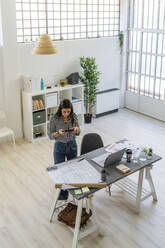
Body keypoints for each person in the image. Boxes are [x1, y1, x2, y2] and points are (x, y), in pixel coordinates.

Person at [49, 99, 80, 200]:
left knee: (72, 169)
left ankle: (74, 189)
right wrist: (58, 133)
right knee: (60, 171)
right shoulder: (54, 118)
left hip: (72, 145)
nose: (66, 114)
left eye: (68, 111)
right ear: (60, 110)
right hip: (59, 147)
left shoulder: (73, 116)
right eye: (64, 112)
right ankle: (63, 194)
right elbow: (50, 135)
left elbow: (78, 132)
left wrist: (77, 130)